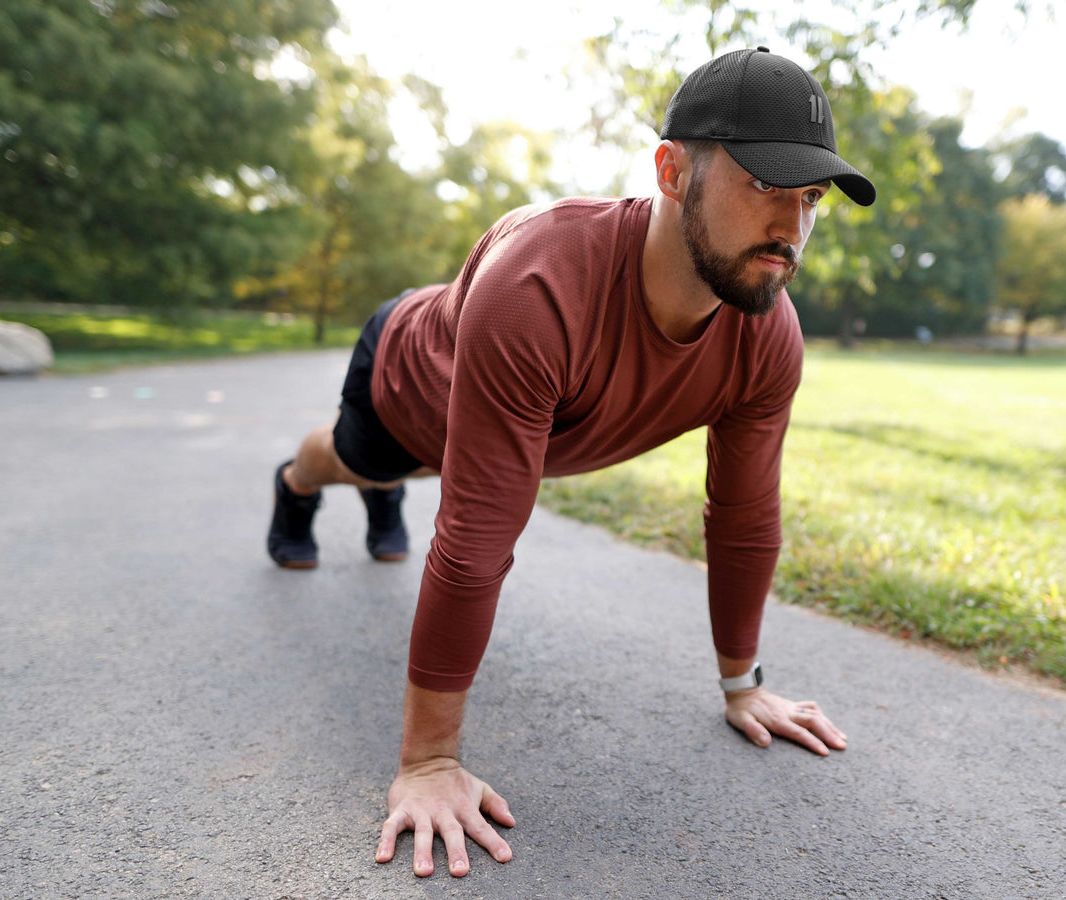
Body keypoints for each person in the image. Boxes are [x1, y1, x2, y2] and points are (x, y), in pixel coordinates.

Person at [266, 46, 877, 878]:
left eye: (809, 198)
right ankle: (297, 487)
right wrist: (429, 761)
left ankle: (383, 500)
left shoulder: (766, 336)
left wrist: (744, 684)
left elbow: (742, 518)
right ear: (670, 170)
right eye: (764, 185)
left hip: (506, 430)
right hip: (410, 384)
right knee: (362, 464)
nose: (792, 224)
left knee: (422, 483)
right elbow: (479, 535)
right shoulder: (540, 282)